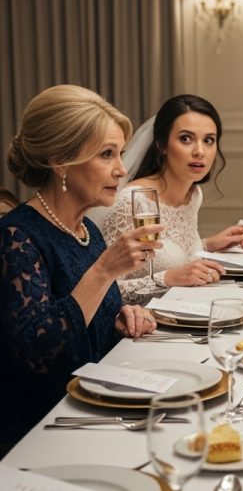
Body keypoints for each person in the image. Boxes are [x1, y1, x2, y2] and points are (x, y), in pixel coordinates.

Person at [1, 85, 159, 449]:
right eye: (107, 154)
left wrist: (121, 317)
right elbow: (39, 357)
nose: (122, 169)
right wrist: (104, 271)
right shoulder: (15, 237)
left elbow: (85, 327)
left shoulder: (86, 230)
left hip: (94, 408)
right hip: (41, 432)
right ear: (61, 161)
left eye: (119, 154)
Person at [100, 95, 243, 303]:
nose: (199, 151)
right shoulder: (133, 202)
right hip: (139, 327)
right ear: (162, 144)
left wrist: (208, 244)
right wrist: (166, 279)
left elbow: (174, 253)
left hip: (182, 313)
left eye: (208, 140)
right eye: (186, 139)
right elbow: (104, 291)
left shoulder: (193, 194)